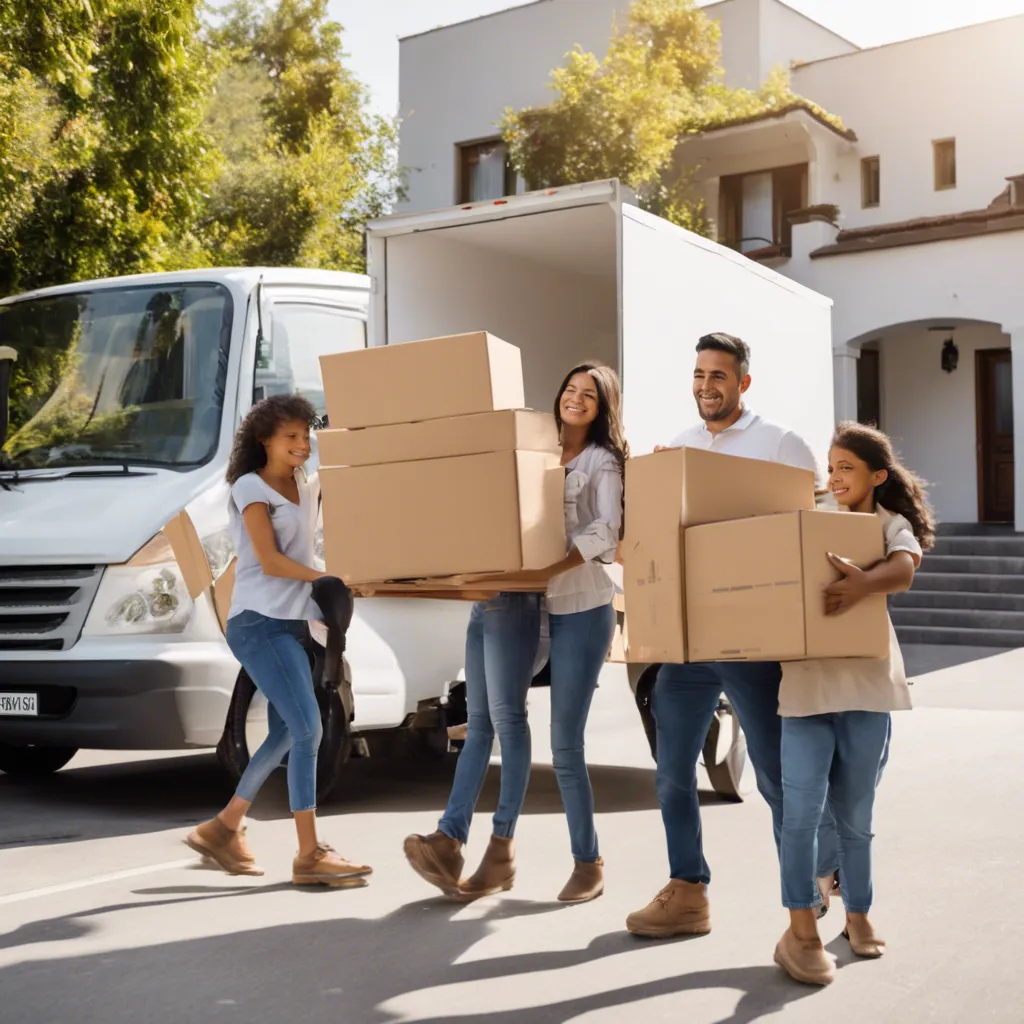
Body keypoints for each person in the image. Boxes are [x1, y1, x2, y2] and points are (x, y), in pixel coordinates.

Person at [403, 363, 627, 903]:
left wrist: (550, 568)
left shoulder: (602, 462)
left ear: (602, 408)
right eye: (570, 390)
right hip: (521, 602)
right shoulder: (534, 452)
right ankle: (482, 848)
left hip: (581, 606)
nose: (575, 400)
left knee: (566, 746)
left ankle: (587, 862)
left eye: (589, 396)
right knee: (488, 719)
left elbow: (609, 529)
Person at [626, 332, 821, 939]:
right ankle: (688, 891)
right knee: (671, 771)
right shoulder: (678, 447)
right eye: (698, 374)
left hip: (749, 637)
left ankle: (807, 901)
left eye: (718, 375)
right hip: (688, 641)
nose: (706, 386)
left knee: (773, 775)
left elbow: (808, 532)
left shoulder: (782, 443)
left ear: (743, 383)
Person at [184, 395, 371, 887]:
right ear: (264, 439)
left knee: (289, 731)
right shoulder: (249, 486)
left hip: (293, 624)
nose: (300, 445)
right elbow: (267, 560)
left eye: (306, 437)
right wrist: (323, 578)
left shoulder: (304, 484)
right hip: (258, 622)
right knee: (309, 728)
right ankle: (309, 853)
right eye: (290, 436)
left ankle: (223, 828)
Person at [773, 423, 934, 985]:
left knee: (856, 819)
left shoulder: (890, 524)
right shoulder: (805, 516)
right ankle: (801, 927)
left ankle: (859, 916)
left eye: (847, 467)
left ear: (877, 476)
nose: (835, 476)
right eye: (831, 465)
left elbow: (905, 569)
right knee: (798, 816)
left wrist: (860, 583)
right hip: (805, 688)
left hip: (866, 687)